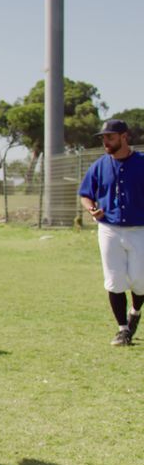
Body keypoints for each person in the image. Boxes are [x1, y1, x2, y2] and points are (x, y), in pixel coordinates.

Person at [79, 119, 144, 346]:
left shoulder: (141, 163)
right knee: (114, 281)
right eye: (103, 137)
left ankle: (135, 312)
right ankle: (123, 330)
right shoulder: (100, 165)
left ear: (124, 137)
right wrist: (91, 209)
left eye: (110, 137)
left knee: (140, 281)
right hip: (109, 228)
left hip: (139, 229)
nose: (105, 141)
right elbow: (85, 193)